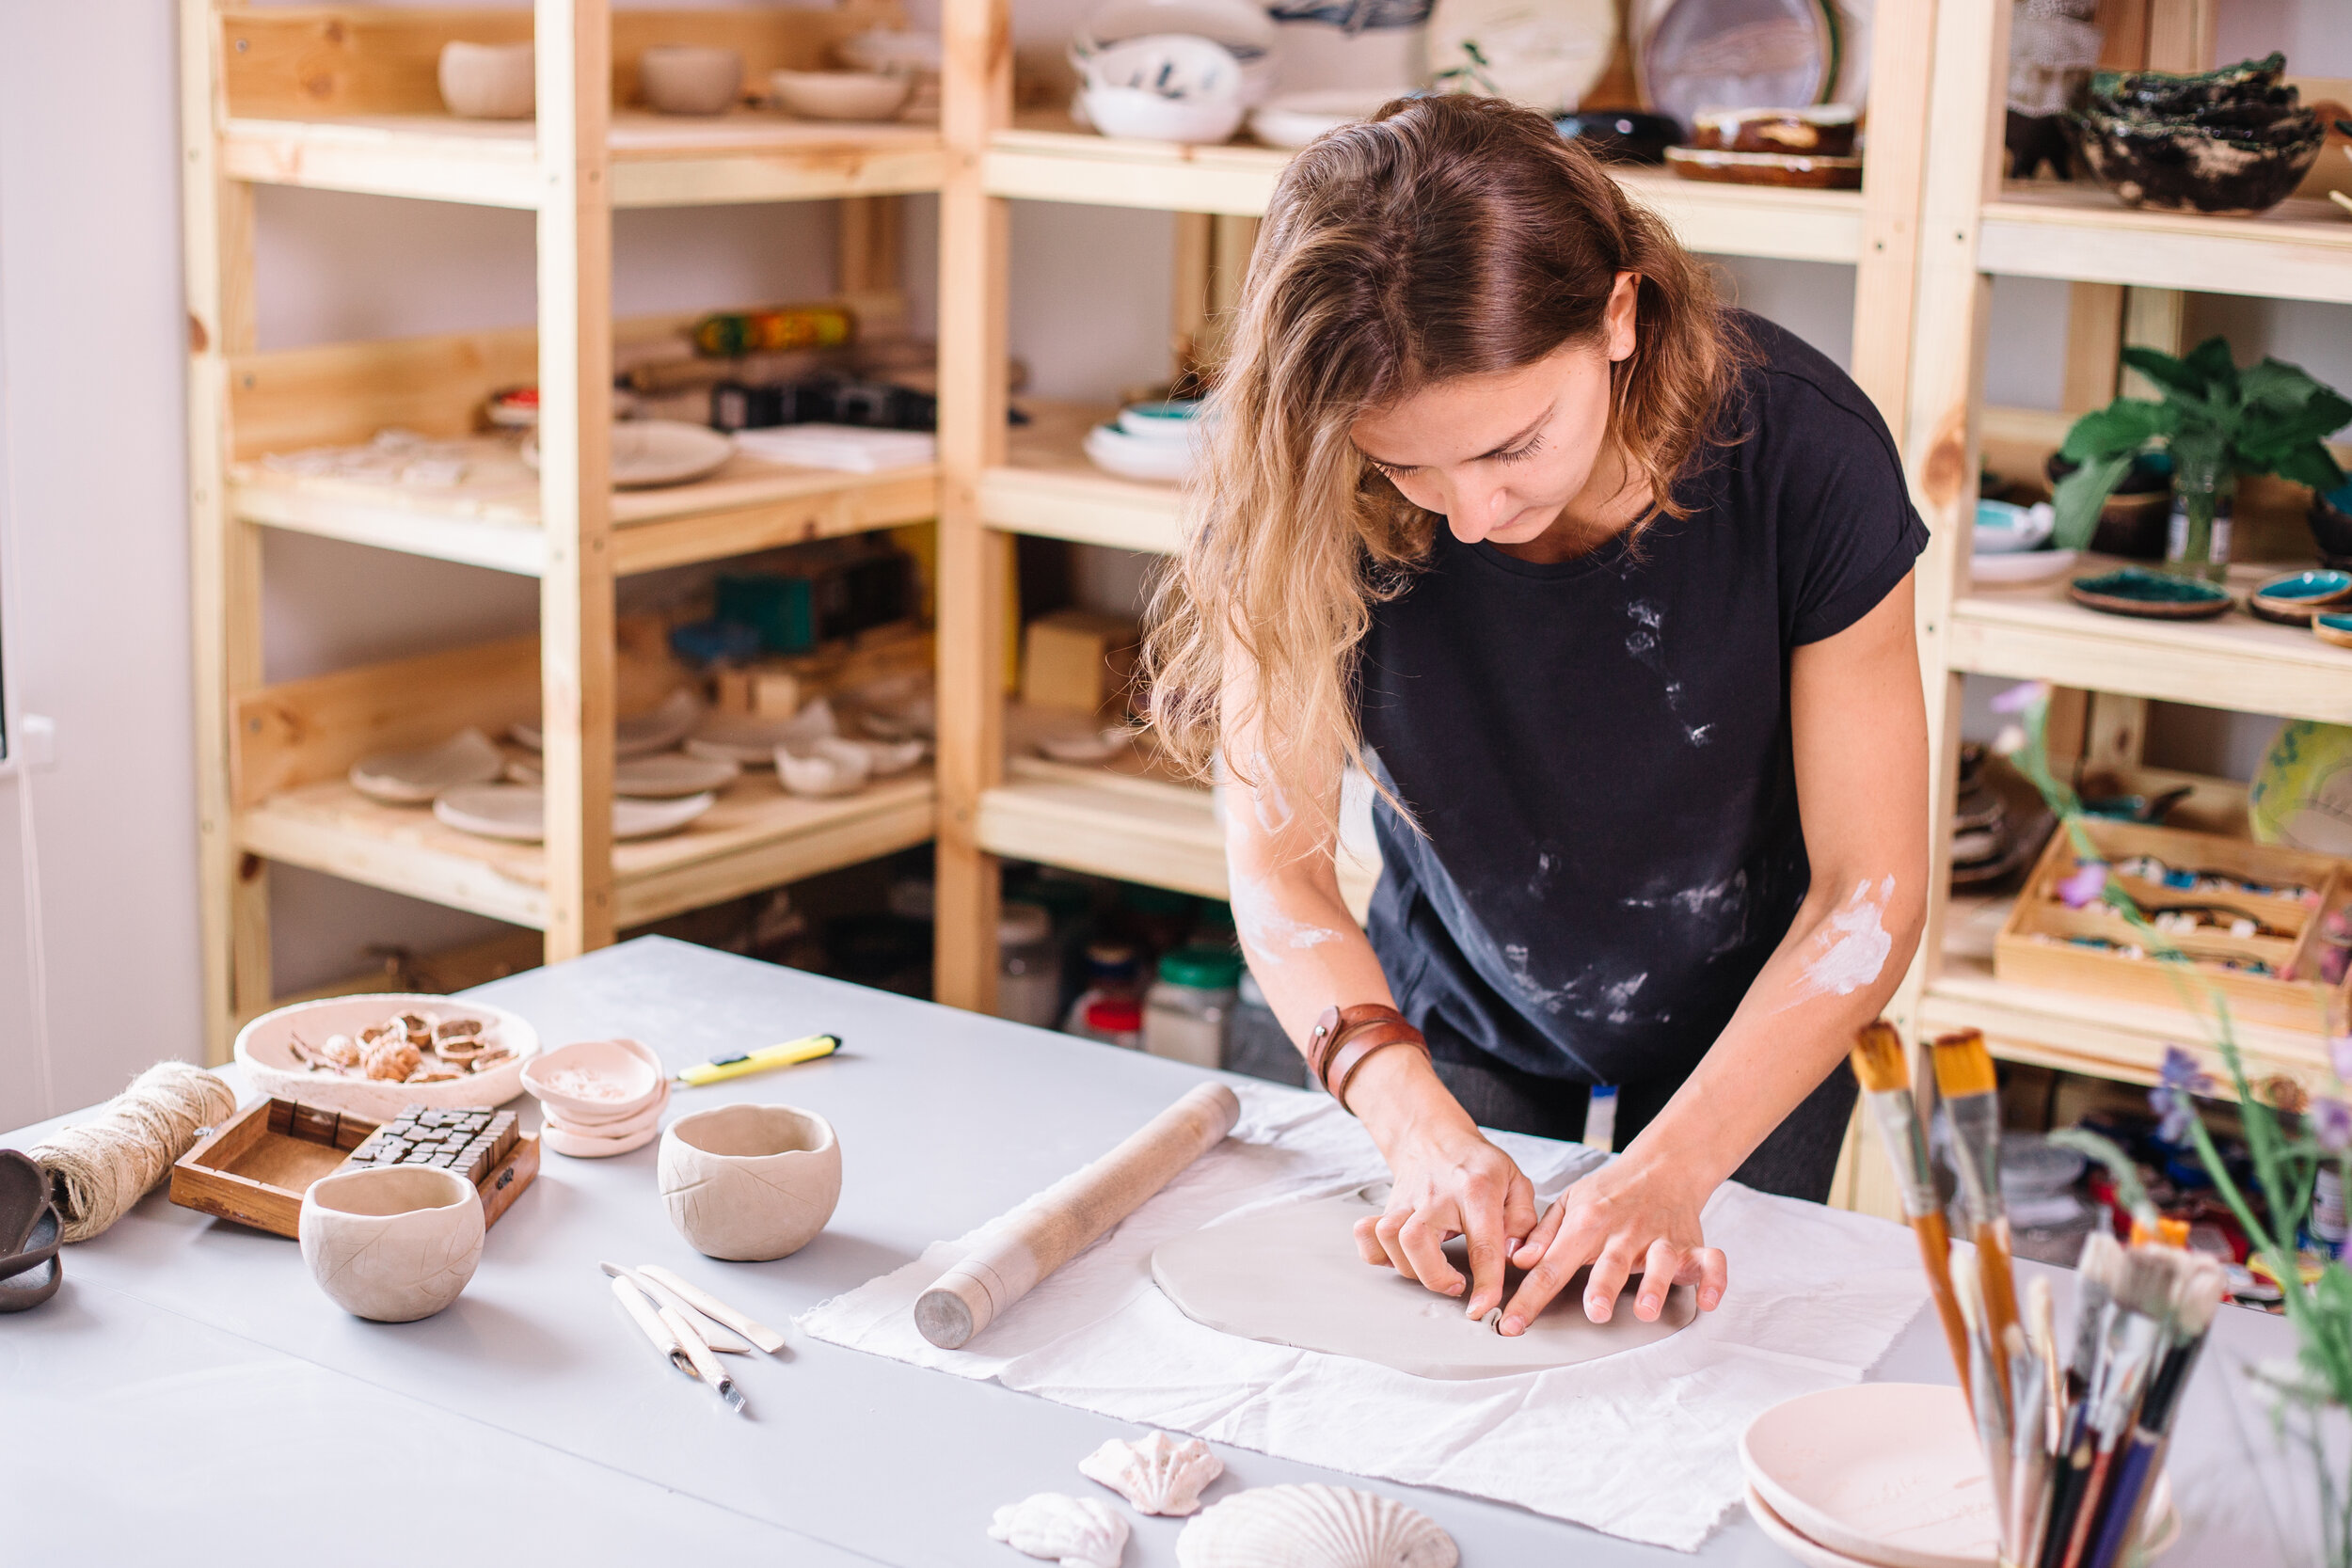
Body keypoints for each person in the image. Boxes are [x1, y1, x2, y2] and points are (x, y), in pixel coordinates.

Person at [1142, 95, 1930, 1337]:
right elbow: (1282, 877)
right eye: (1406, 466)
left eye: (1514, 445)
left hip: (1759, 1012)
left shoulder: (1804, 456)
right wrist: (1415, 1128)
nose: (1469, 517)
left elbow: (1866, 896)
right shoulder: (1300, 479)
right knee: (1443, 1344)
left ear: (1619, 314)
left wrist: (1669, 1176)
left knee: (1696, 1373)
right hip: (1455, 992)